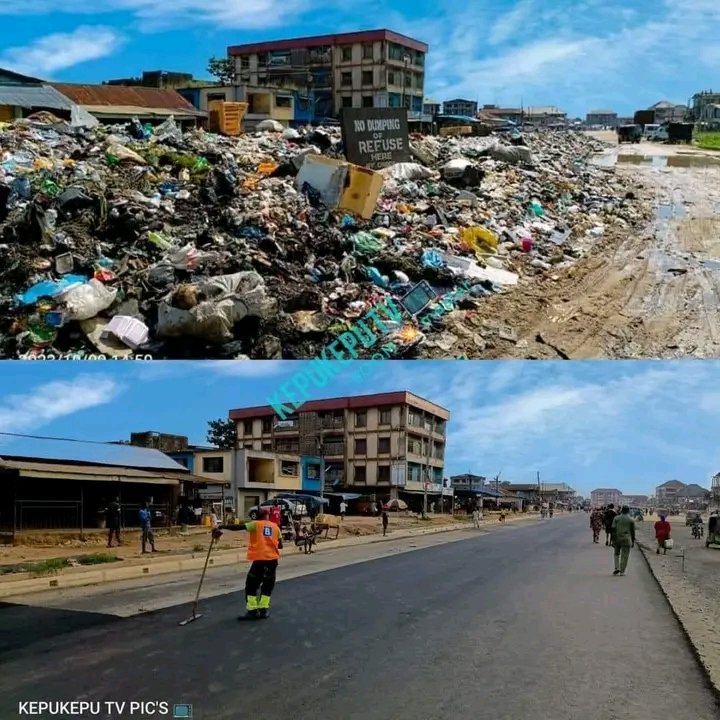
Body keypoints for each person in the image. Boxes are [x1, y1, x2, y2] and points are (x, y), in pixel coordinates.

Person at [216, 507, 283, 619]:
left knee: (251, 585)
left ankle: (252, 611)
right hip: (272, 561)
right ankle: (263, 610)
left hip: (260, 560)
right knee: (267, 586)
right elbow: (280, 545)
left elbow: (239, 527)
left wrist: (223, 526)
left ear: (258, 516)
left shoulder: (255, 524)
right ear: (268, 516)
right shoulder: (276, 527)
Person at [611, 506, 636, 576]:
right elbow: (633, 531)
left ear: (621, 510)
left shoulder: (616, 518)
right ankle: (622, 571)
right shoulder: (631, 519)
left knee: (616, 553)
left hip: (617, 538)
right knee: (625, 555)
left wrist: (612, 540)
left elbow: (613, 529)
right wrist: (633, 541)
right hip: (627, 539)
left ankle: (616, 567)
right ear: (628, 511)